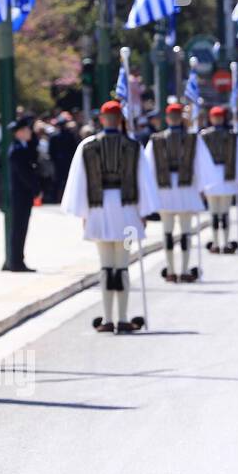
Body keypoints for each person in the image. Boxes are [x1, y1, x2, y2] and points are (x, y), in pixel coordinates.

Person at [61, 100, 160, 332]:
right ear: (121, 120)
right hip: (126, 213)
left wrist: (84, 213)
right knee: (122, 265)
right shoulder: (133, 146)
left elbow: (80, 183)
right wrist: (143, 212)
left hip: (99, 212)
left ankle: (107, 319)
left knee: (106, 266)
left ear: (102, 120)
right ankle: (123, 317)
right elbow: (143, 183)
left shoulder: (88, 146)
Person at [145, 102, 209, 283]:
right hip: (186, 189)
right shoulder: (192, 139)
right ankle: (184, 269)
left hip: (165, 190)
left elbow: (148, 169)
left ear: (167, 118)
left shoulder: (156, 140)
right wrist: (202, 188)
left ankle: (172, 269)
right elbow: (201, 166)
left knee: (167, 232)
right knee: (185, 232)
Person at [199, 105, 238, 253]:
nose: (217, 119)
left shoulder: (209, 136)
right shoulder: (229, 136)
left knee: (222, 213)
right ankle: (219, 242)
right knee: (217, 213)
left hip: (224, 176)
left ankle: (222, 242)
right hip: (216, 177)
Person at [5, 116, 40, 271]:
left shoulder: (25, 147)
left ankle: (16, 259)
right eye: (26, 130)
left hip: (24, 195)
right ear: (19, 133)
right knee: (18, 229)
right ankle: (16, 261)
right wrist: (36, 189)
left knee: (21, 228)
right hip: (20, 195)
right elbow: (25, 174)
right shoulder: (17, 150)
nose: (29, 132)